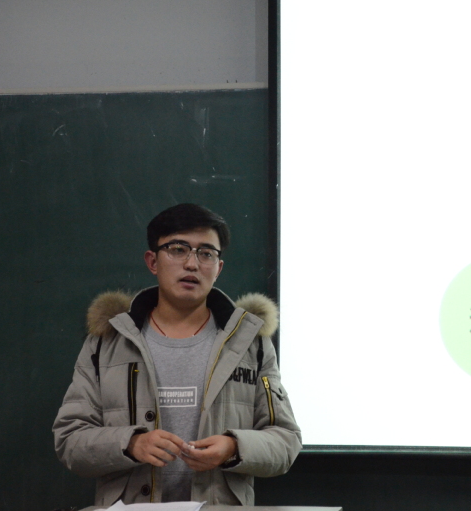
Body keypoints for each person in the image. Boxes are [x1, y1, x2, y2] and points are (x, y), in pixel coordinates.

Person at [53, 203, 301, 508]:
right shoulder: (108, 341)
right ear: (152, 261)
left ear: (218, 268)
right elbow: (70, 440)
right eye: (178, 249)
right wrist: (130, 443)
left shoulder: (250, 343)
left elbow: (286, 441)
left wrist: (234, 447)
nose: (192, 264)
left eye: (206, 253)